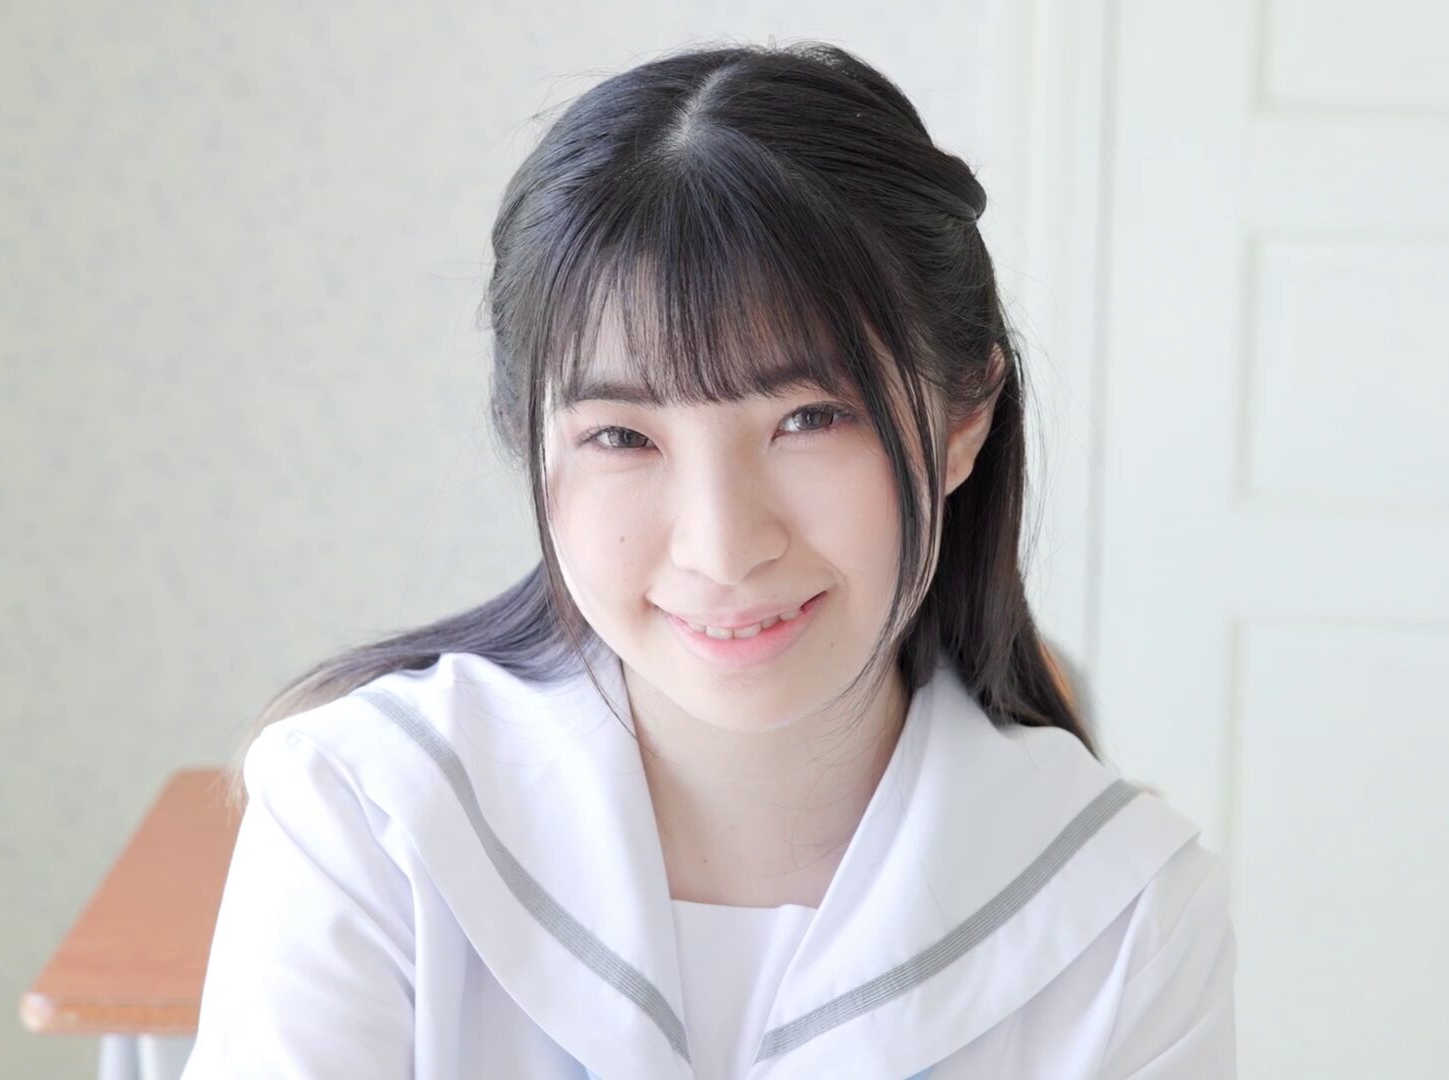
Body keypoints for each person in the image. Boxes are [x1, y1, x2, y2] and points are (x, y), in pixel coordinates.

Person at [180, 39, 1235, 1079]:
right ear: (529, 439)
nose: (723, 547)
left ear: (965, 418)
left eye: (810, 418)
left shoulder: (1125, 913)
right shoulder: (370, 817)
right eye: (622, 436)